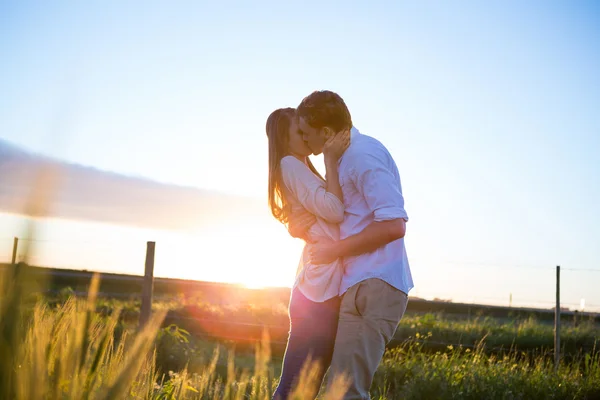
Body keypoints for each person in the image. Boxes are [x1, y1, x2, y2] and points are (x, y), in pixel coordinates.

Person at [288, 90, 414, 399]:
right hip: (355, 284)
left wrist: (334, 251)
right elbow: (338, 216)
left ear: (327, 133)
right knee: (336, 390)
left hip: (373, 283)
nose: (303, 140)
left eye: (306, 133)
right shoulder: (340, 160)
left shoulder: (362, 155)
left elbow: (394, 225)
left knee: (346, 393)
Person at [265, 107, 350, 400]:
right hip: (316, 291)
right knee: (294, 386)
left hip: (319, 287)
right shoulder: (290, 164)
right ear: (284, 138)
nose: (305, 135)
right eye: (299, 131)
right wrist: (329, 159)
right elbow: (336, 210)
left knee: (305, 386)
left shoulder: (298, 166)